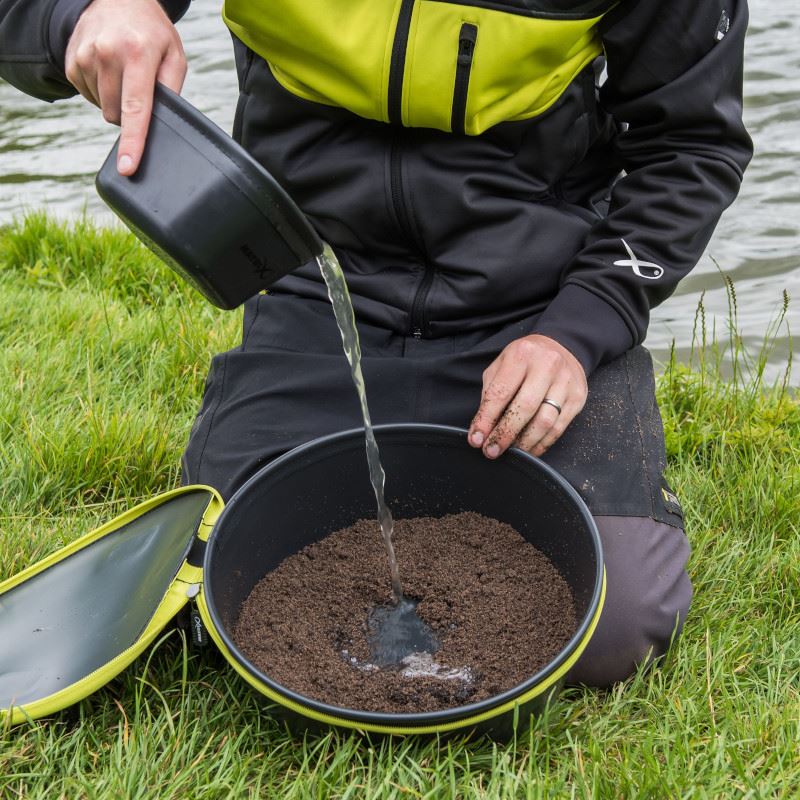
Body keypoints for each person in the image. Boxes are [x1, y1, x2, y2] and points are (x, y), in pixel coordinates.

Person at [0, 0, 752, 686]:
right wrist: (79, 15)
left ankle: (629, 498)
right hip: (317, 288)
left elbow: (691, 143)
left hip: (535, 305)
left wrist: (579, 328)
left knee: (609, 629)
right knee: (218, 607)